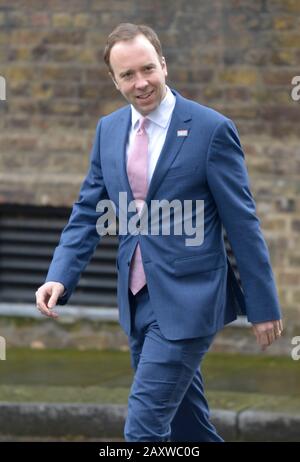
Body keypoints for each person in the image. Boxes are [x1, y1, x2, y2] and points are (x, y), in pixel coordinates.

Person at [35, 23, 283, 442]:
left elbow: (242, 223)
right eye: (128, 75)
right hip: (136, 302)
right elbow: (88, 211)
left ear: (164, 65)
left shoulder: (210, 130)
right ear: (114, 81)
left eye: (148, 69)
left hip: (190, 301)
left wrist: (263, 305)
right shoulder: (108, 130)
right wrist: (59, 274)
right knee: (189, 429)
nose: (141, 82)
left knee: (143, 429)